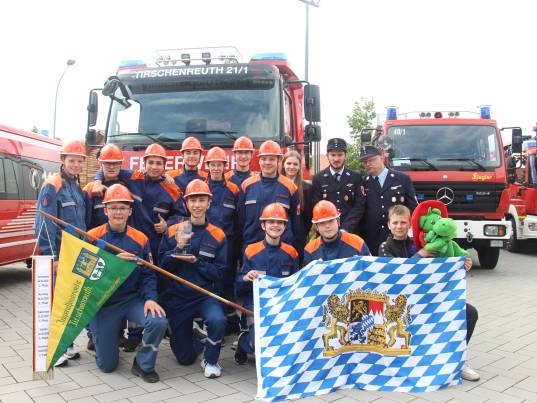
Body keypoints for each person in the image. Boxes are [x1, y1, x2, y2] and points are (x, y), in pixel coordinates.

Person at [378, 204, 480, 382]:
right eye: (395, 222)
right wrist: (421, 254)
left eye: (403, 222)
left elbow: (445, 259)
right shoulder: (384, 247)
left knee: (470, 313)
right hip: (400, 305)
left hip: (428, 299)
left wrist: (462, 263)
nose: (399, 226)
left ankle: (458, 361)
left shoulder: (420, 242)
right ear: (388, 225)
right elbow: (396, 275)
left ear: (410, 224)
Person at [87, 184, 168, 383]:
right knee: (107, 367)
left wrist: (150, 299)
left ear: (130, 211)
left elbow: (148, 275)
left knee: (158, 321)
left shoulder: (140, 239)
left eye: (123, 208)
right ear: (105, 210)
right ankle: (98, 335)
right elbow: (85, 276)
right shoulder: (92, 237)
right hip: (103, 303)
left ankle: (143, 364)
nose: (118, 212)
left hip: (131, 299)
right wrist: (113, 264)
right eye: (113, 208)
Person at [159, 179, 228, 379]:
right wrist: (178, 248)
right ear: (186, 204)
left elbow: (219, 274)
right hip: (179, 297)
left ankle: (211, 360)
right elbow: (162, 267)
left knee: (217, 320)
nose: (197, 205)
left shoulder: (218, 235)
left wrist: (197, 262)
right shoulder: (173, 231)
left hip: (204, 295)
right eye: (193, 200)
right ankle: (196, 338)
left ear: (209, 203)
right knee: (185, 358)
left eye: (201, 200)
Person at [35, 139, 87, 367]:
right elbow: (44, 223)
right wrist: (52, 257)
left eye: (80, 161)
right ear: (63, 160)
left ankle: (67, 346)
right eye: (72, 160)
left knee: (70, 302)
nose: (76, 165)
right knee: (57, 304)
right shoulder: (53, 185)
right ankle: (53, 352)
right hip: (61, 255)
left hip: (76, 253)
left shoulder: (76, 186)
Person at [234, 203, 300, 364]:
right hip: (255, 305)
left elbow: (296, 285)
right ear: (263, 225)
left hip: (281, 305)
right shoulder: (251, 250)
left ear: (285, 226)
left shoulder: (291, 253)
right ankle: (244, 341)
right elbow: (238, 285)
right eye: (271, 222)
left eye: (279, 222)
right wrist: (245, 278)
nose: (275, 225)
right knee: (259, 345)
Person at [205, 146, 240, 333]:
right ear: (208, 166)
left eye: (219, 165)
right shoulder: (202, 187)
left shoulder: (233, 189)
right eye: (213, 164)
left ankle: (231, 323)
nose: (216, 168)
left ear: (225, 166)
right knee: (207, 281)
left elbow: (239, 218)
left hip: (228, 244)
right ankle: (209, 321)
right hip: (206, 242)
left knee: (227, 281)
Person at [238, 140, 300, 248]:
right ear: (259, 161)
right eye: (264, 159)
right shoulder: (246, 185)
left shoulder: (290, 187)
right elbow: (240, 220)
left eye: (272, 159)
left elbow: (295, 222)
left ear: (279, 160)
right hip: (252, 247)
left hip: (282, 247)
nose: (267, 162)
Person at [359, 145, 418, 255]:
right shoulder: (363, 182)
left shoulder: (402, 179)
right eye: (364, 162)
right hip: (371, 241)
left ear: (382, 157)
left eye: (371, 160)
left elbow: (414, 209)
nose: (367, 164)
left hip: (397, 240)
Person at [312, 138, 366, 234]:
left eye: (340, 155)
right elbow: (317, 206)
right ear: (327, 156)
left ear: (346, 156)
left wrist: (346, 228)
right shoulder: (318, 178)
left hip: (350, 231)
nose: (336, 159)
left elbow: (359, 206)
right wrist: (329, 227)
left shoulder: (355, 177)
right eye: (333, 155)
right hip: (327, 231)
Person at [303, 200, 370, 265]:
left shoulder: (357, 243)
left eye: (331, 221)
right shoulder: (310, 250)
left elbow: (370, 269)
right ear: (317, 227)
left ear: (338, 221)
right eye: (322, 223)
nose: (327, 226)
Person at [281, 149, 313, 264]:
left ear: (300, 167)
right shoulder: (277, 186)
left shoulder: (307, 189)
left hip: (298, 239)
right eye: (289, 163)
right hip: (279, 237)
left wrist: (301, 234)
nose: (292, 167)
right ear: (283, 165)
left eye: (295, 164)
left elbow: (308, 218)